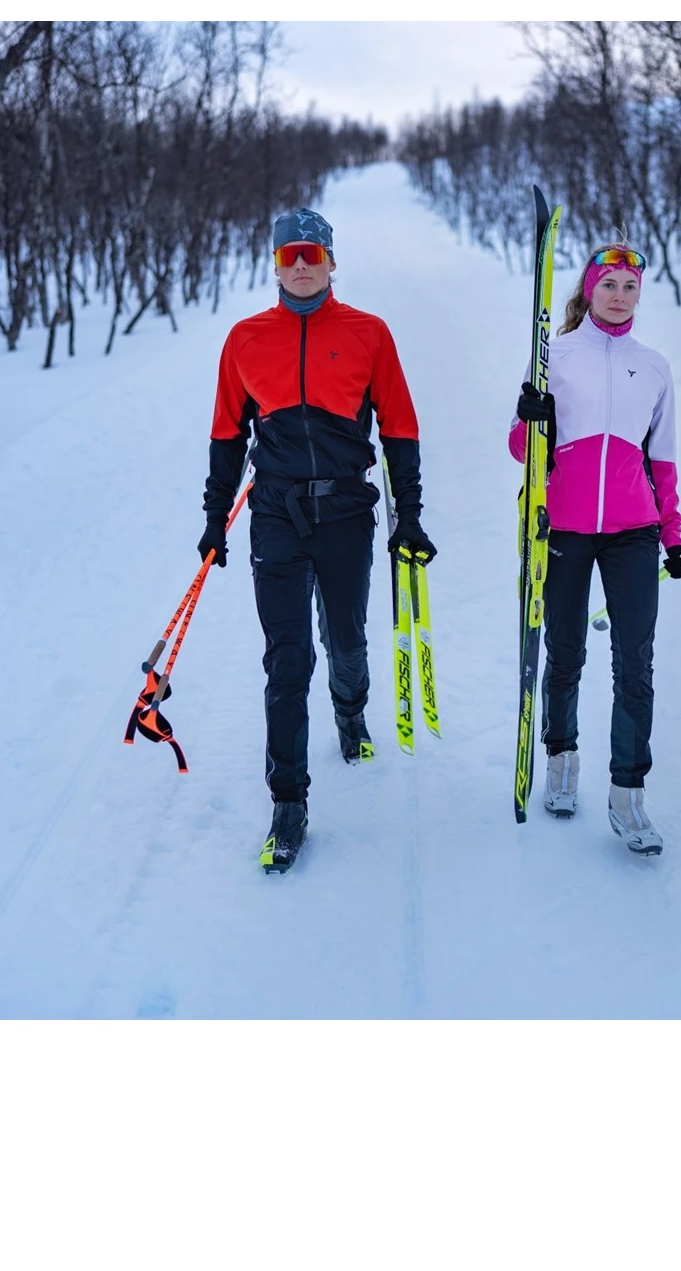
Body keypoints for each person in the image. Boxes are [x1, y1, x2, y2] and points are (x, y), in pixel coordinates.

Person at [201, 208, 435, 872]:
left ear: (332, 262)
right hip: (276, 514)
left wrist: (409, 515)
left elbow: (399, 428)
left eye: (312, 253)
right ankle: (288, 804)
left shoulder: (369, 333)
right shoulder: (245, 339)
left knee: (347, 639)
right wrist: (214, 517)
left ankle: (350, 711)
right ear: (275, 265)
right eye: (288, 255)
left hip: (346, 511)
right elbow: (226, 434)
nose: (300, 265)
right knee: (286, 659)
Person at [509, 243, 681, 855]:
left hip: (634, 531)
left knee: (635, 663)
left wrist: (673, 535)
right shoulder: (553, 355)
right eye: (608, 284)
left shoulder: (654, 367)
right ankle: (560, 761)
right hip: (562, 528)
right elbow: (520, 450)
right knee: (565, 652)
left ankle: (627, 793)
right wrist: (530, 419)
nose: (619, 296)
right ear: (588, 290)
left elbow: (663, 460)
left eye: (629, 287)